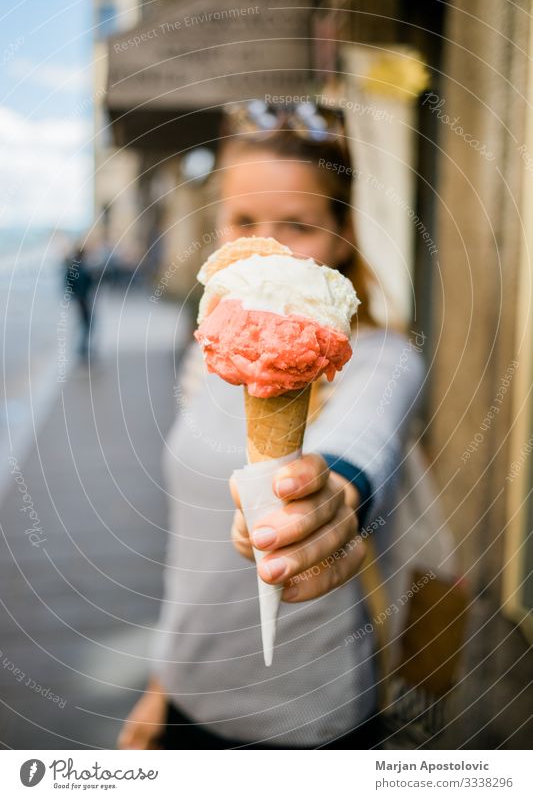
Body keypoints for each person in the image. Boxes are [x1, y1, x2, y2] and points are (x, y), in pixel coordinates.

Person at [117, 101, 425, 750]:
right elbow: (189, 556)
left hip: (311, 719)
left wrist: (328, 499)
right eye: (245, 222)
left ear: (342, 234)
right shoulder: (206, 355)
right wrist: (159, 686)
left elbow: (355, 447)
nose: (271, 249)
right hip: (188, 695)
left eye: (298, 224)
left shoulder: (378, 358)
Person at [65, 246, 95, 360]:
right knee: (86, 324)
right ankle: (81, 348)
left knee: (85, 323)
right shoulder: (79, 268)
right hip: (82, 298)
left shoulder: (76, 268)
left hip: (81, 298)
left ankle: (82, 347)